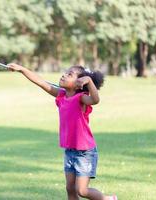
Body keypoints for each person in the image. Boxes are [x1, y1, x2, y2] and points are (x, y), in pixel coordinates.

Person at [7, 63, 117, 200]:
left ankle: (108, 199)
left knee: (82, 190)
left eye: (70, 74)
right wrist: (22, 69)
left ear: (79, 83)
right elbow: (41, 82)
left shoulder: (81, 99)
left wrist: (88, 81)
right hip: (70, 150)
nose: (64, 75)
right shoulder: (61, 95)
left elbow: (95, 99)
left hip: (85, 152)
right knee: (70, 189)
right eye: (66, 72)